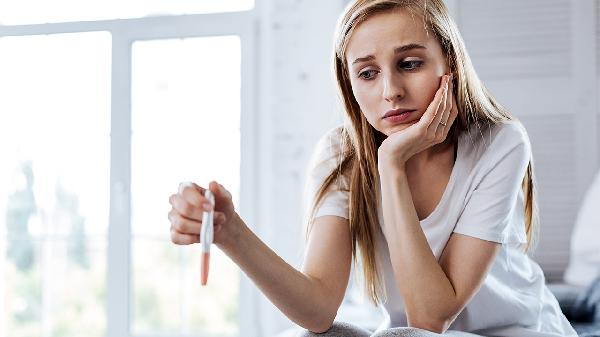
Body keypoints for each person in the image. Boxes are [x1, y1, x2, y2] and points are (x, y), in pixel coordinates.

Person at [168, 0, 578, 336]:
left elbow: (429, 317)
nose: (391, 92)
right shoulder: (340, 154)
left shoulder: (498, 142)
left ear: (448, 62)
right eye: (367, 73)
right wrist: (231, 233)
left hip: (516, 331)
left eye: (410, 64)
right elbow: (317, 309)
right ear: (350, 84)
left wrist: (392, 164)